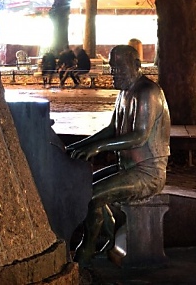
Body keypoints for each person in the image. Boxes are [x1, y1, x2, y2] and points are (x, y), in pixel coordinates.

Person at [66, 44, 170, 265]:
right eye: (112, 67)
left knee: (93, 197)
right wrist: (80, 145)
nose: (115, 73)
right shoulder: (124, 94)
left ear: (136, 65)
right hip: (128, 169)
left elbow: (139, 137)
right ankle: (110, 237)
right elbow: (112, 129)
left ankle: (89, 247)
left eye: (120, 68)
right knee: (83, 189)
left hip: (147, 173)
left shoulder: (148, 92)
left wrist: (98, 148)